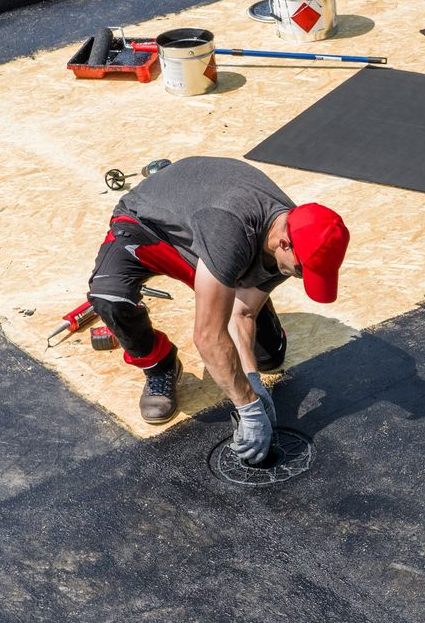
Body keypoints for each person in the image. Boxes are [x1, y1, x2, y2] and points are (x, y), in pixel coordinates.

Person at [85, 156, 348, 463]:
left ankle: (232, 289)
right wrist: (248, 408)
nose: (301, 277)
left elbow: (243, 313)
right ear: (284, 243)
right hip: (149, 228)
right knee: (109, 297)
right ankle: (159, 363)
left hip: (208, 239)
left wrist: (251, 379)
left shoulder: (294, 232)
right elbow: (208, 336)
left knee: (269, 357)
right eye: (303, 271)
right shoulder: (232, 229)